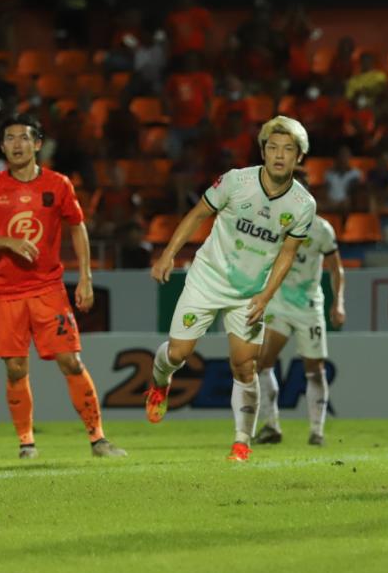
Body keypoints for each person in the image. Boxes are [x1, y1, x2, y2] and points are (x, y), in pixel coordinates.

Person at [143, 116, 318, 462]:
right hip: (207, 278)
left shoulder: (303, 205)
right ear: (263, 151)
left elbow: (287, 254)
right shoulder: (237, 181)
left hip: (248, 293)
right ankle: (160, 382)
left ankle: (242, 443)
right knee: (178, 354)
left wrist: (265, 296)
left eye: (288, 149)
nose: (279, 155)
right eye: (273, 148)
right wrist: (168, 255)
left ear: (299, 157)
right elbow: (196, 215)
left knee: (244, 366)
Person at [0, 114, 124, 459]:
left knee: (70, 360)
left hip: (48, 289)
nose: (16, 145)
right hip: (5, 292)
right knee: (15, 368)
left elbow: (77, 227)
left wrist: (86, 276)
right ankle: (26, 443)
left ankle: (98, 439)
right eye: (9, 139)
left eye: (23, 138)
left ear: (37, 144)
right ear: (2, 146)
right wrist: (8, 241)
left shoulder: (59, 185)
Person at [253, 216, 344, 447]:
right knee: (262, 362)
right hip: (279, 303)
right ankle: (272, 426)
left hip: (308, 306)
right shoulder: (274, 221)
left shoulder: (322, 229)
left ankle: (317, 432)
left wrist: (338, 302)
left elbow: (336, 268)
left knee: (315, 369)